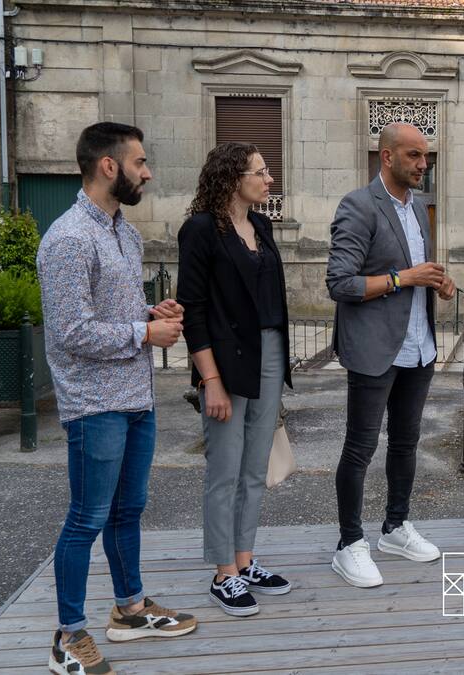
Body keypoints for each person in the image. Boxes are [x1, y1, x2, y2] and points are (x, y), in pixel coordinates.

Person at [38, 122, 197, 675]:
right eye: (140, 162)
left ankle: (129, 609)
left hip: (136, 399)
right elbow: (69, 332)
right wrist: (142, 335)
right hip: (93, 406)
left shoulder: (125, 234)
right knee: (86, 518)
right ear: (109, 166)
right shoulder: (66, 239)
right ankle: (67, 635)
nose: (147, 172)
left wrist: (154, 315)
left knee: (128, 511)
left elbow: (113, 316)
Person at [325, 122, 456, 587]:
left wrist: (439, 283)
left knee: (406, 443)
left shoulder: (419, 208)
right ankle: (349, 543)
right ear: (387, 156)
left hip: (419, 347)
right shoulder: (358, 206)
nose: (424, 164)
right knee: (360, 448)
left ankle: (396, 527)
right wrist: (405, 278)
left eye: (427, 157)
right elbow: (340, 283)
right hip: (374, 349)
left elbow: (418, 273)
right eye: (415, 156)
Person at [177, 142, 294, 616]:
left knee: (254, 467)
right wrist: (211, 380)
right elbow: (194, 310)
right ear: (232, 178)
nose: (269, 181)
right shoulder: (201, 230)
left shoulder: (261, 226)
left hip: (268, 353)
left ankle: (245, 560)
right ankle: (222, 571)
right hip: (223, 362)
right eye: (261, 173)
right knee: (224, 469)